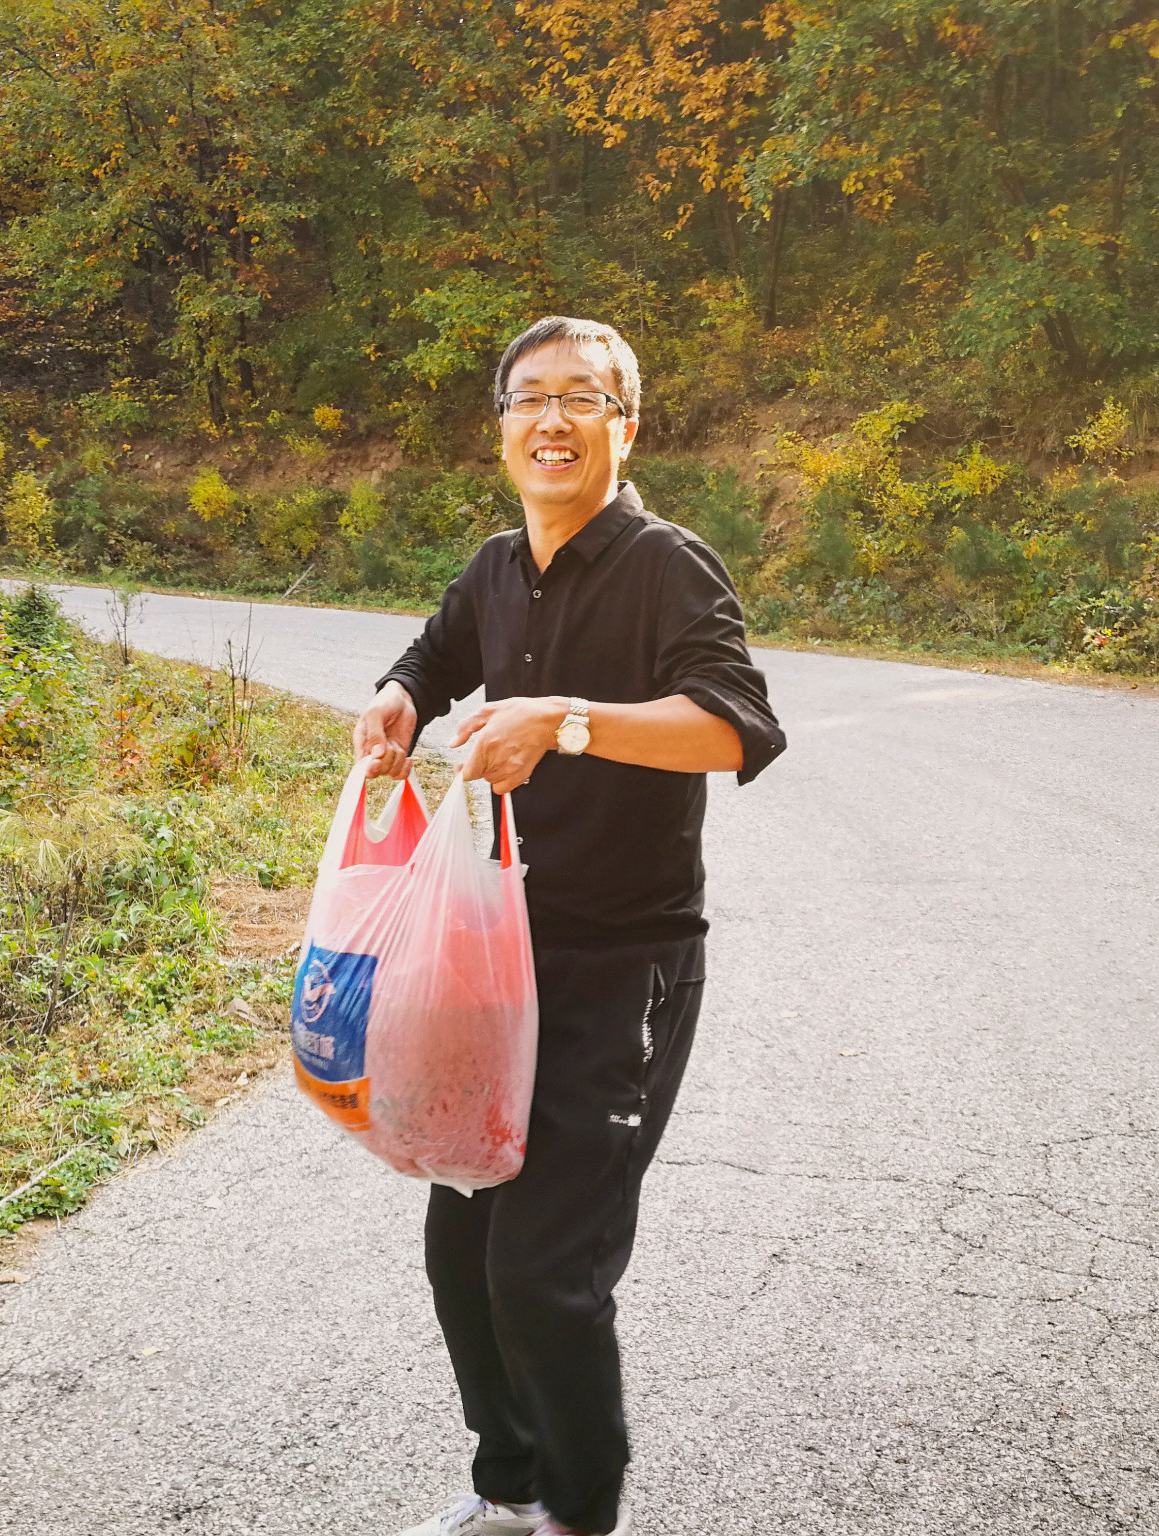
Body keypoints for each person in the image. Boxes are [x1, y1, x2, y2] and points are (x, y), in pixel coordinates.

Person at [354, 316, 786, 1536]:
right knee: (461, 1251)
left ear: (623, 425)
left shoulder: (667, 565)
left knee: (543, 1274)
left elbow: (734, 727)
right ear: (499, 426)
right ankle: (509, 1483)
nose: (552, 420)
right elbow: (433, 657)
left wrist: (567, 719)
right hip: (491, 962)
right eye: (528, 398)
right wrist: (397, 697)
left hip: (619, 970)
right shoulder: (495, 568)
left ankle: (580, 1517)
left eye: (581, 399)